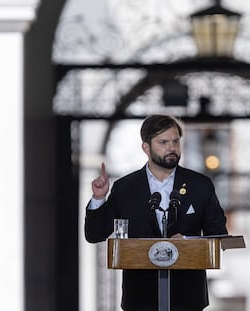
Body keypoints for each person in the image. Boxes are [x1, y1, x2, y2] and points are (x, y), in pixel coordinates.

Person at [85, 114, 228, 311]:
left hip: (187, 298)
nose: (172, 148)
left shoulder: (200, 185)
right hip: (140, 298)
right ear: (146, 147)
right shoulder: (125, 188)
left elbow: (219, 235)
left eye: (175, 141)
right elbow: (95, 234)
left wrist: (187, 242)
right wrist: (99, 198)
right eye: (163, 142)